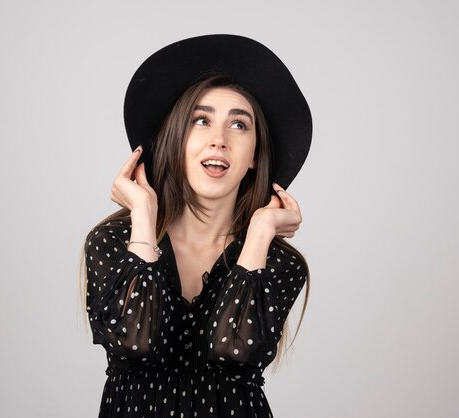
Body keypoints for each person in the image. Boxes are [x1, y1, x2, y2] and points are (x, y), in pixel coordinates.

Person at [80, 34, 312, 418]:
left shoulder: (281, 263)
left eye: (239, 126)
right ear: (175, 139)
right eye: (200, 121)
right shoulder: (111, 242)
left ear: (255, 155)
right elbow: (135, 343)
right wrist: (142, 211)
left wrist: (260, 231)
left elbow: (233, 351)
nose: (218, 141)